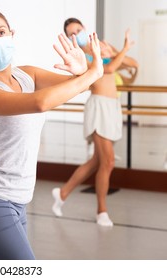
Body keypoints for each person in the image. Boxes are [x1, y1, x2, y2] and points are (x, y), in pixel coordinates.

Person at [0, 9, 103, 260]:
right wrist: (94, 72)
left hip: (18, 202)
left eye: (1, 32)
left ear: (11, 34)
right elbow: (40, 103)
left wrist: (81, 72)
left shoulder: (27, 75)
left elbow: (75, 88)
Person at [51, 18, 135, 227]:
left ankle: (61, 193)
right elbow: (108, 70)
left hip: (112, 108)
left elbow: (131, 65)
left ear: (85, 29)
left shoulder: (101, 47)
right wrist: (121, 50)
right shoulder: (84, 57)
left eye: (78, 30)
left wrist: (116, 51)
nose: (77, 34)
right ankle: (101, 212)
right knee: (108, 162)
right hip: (98, 109)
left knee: (96, 162)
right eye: (72, 33)